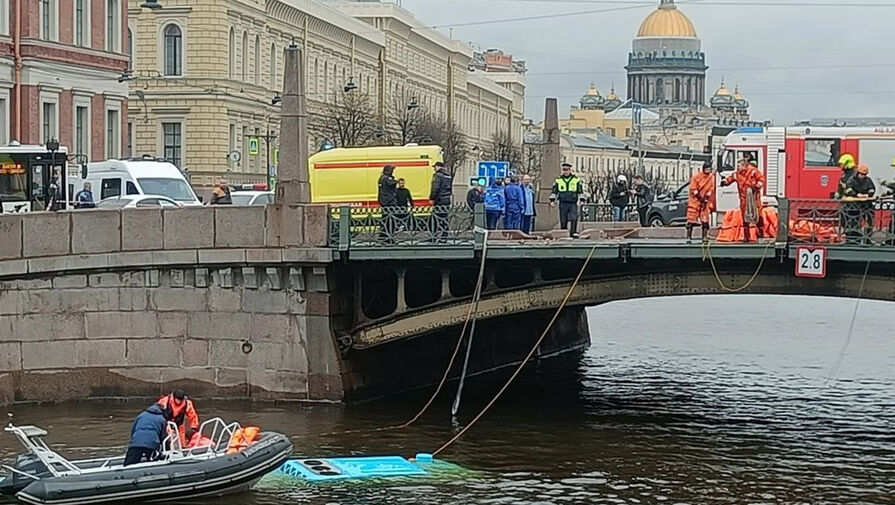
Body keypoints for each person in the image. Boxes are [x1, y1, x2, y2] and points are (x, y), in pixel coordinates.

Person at [721, 156, 765, 242]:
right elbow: (730, 178)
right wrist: (724, 183)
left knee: (758, 216)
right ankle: (746, 236)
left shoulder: (753, 171)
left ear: (744, 165)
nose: (737, 168)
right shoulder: (737, 174)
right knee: (745, 217)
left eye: (739, 166)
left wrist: (756, 186)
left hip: (754, 197)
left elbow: (761, 179)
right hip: (743, 198)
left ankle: (761, 235)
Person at [842, 164, 876, 244]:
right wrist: (857, 194)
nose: (863, 176)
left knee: (869, 221)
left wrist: (868, 194)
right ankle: (853, 239)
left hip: (867, 205)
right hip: (854, 205)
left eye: (865, 175)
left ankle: (867, 239)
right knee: (854, 221)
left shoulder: (868, 180)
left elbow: (872, 189)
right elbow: (848, 190)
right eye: (862, 174)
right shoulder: (852, 180)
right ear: (858, 173)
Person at [550, 163, 584, 238]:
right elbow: (554, 191)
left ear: (570, 170)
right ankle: (564, 233)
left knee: (574, 217)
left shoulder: (576, 180)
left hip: (572, 202)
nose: (565, 172)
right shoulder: (558, 180)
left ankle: (573, 232)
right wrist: (552, 201)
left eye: (567, 170)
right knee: (563, 218)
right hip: (563, 202)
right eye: (564, 170)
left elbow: (580, 191)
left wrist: (582, 200)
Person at [686, 161, 716, 243]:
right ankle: (689, 237)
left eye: (709, 169)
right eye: (707, 169)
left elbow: (711, 188)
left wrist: (706, 197)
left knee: (705, 220)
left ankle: (704, 237)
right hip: (695, 201)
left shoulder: (711, 177)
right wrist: (699, 197)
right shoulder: (696, 177)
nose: (708, 171)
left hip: (705, 201)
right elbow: (693, 188)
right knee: (691, 219)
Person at [429, 161, 452, 241]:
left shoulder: (438, 175)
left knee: (434, 218)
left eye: (435, 167)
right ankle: (444, 235)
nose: (434, 169)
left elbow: (435, 188)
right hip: (446, 199)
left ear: (438, 167)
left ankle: (433, 236)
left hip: (439, 199)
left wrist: (432, 198)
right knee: (444, 218)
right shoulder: (448, 175)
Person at [378, 165, 398, 241]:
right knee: (389, 221)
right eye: (391, 170)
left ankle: (384, 237)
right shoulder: (385, 178)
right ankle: (387, 237)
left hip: (386, 202)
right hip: (388, 202)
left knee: (387, 220)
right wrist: (395, 180)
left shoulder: (383, 178)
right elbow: (391, 183)